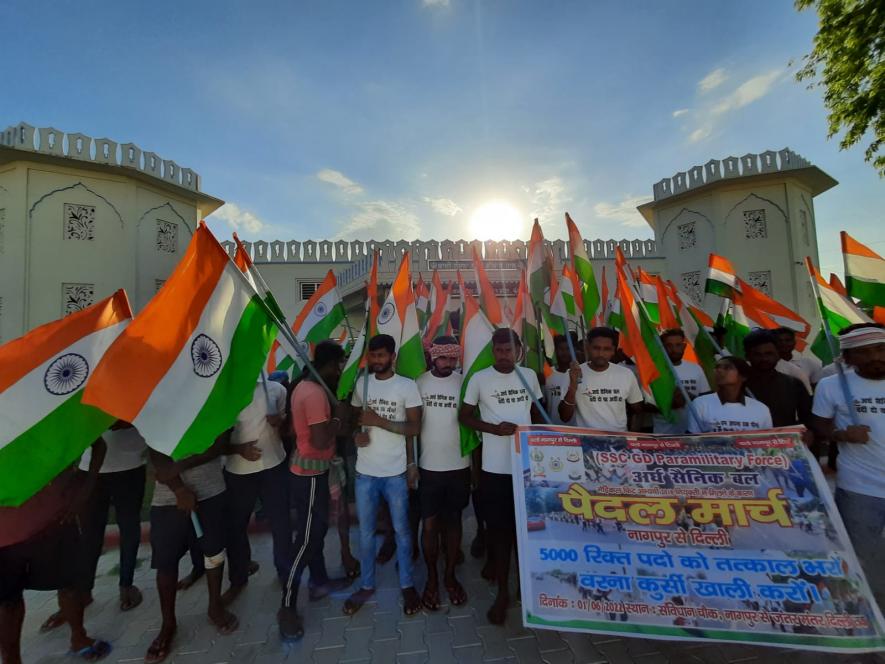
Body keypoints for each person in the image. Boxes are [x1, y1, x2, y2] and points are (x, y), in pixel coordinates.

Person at [459, 328, 543, 625]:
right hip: (494, 470)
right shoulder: (479, 379)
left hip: (527, 467)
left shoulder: (529, 376)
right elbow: (464, 416)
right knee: (500, 532)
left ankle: (525, 589)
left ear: (518, 349)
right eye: (499, 350)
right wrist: (494, 429)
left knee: (527, 532)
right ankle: (503, 594)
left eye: (509, 350)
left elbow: (536, 413)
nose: (504, 355)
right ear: (493, 350)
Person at [0, 438, 111, 663]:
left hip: (55, 520)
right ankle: (12, 659)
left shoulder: (42, 407)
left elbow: (98, 443)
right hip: (5, 532)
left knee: (70, 584)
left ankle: (79, 637)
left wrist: (86, 488)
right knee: (7, 600)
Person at [39, 422, 147, 633]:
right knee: (89, 535)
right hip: (89, 469)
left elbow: (134, 416)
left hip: (130, 464)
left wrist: (112, 419)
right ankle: (83, 591)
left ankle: (127, 584)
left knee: (129, 527)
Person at [343, 334, 423, 617]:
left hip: (395, 474)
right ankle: (366, 585)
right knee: (365, 535)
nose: (376, 361)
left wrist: (380, 422)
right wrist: (356, 434)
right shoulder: (361, 384)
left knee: (402, 532)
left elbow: (414, 429)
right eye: (372, 356)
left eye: (381, 355)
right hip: (365, 473)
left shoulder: (407, 386)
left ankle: (407, 584)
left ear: (392, 357)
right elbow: (354, 420)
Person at [280, 341, 352, 639]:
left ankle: (319, 581)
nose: (341, 371)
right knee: (307, 540)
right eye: (340, 365)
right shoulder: (312, 394)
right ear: (332, 365)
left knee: (317, 531)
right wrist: (340, 416)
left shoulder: (310, 388)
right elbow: (321, 440)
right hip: (309, 473)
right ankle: (286, 606)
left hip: (317, 471)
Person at [145, 431, 238, 663]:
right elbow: (154, 448)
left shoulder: (211, 398)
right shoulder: (157, 403)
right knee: (165, 562)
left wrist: (179, 467)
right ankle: (168, 624)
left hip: (211, 489)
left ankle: (214, 606)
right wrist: (178, 489)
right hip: (168, 498)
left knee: (214, 552)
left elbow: (220, 443)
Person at [811, 324, 885, 606]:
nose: (875, 357)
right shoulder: (832, 385)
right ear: (848, 359)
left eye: (880, 349)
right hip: (859, 486)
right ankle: (863, 608)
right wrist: (842, 435)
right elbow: (819, 426)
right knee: (859, 553)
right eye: (864, 353)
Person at [221, 374, 292, 605]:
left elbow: (288, 429)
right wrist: (238, 449)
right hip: (238, 471)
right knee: (235, 527)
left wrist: (279, 422)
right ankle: (238, 579)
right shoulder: (223, 395)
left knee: (281, 523)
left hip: (273, 466)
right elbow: (215, 441)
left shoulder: (276, 390)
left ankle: (285, 575)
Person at [416, 336, 470, 611]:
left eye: (452, 358)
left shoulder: (464, 382)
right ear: (433, 356)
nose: (448, 363)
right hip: (428, 468)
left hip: (459, 467)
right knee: (429, 525)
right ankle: (432, 578)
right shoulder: (419, 383)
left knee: (453, 523)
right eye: (443, 357)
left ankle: (449, 576)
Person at [559, 327, 644, 432]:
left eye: (606, 349)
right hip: (586, 441)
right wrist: (573, 386)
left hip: (618, 441)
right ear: (587, 348)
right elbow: (564, 417)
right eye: (596, 348)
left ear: (613, 350)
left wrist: (631, 436)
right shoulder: (572, 373)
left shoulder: (626, 374)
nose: (600, 354)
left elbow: (637, 409)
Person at [744, 330, 813, 429]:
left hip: (784, 442)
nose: (764, 359)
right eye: (758, 354)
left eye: (769, 354)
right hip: (747, 441)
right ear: (747, 356)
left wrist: (808, 433)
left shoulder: (793, 384)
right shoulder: (737, 385)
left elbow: (807, 419)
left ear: (778, 355)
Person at [688, 357, 773, 433]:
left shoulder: (761, 409)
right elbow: (691, 441)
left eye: (727, 367)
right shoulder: (700, 404)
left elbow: (767, 444)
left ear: (743, 376)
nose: (719, 370)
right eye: (717, 367)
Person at [650, 329, 710, 434]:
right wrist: (668, 404)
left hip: (693, 433)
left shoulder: (696, 369)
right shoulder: (653, 371)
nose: (674, 349)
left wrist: (690, 398)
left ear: (684, 346)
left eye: (678, 345)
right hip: (663, 435)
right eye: (669, 345)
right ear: (661, 347)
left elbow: (707, 400)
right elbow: (643, 406)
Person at [546, 333, 582, 425]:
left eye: (568, 349)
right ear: (555, 350)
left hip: (577, 428)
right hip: (553, 427)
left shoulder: (580, 373)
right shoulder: (547, 374)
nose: (564, 352)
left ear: (574, 350)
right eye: (561, 349)